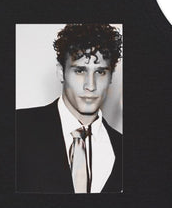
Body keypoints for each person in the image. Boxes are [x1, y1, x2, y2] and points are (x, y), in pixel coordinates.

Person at [16, 23, 123, 193]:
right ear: (61, 72)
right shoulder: (18, 128)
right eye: (80, 71)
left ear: (111, 76)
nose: (91, 85)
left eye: (100, 72)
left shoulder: (123, 148)